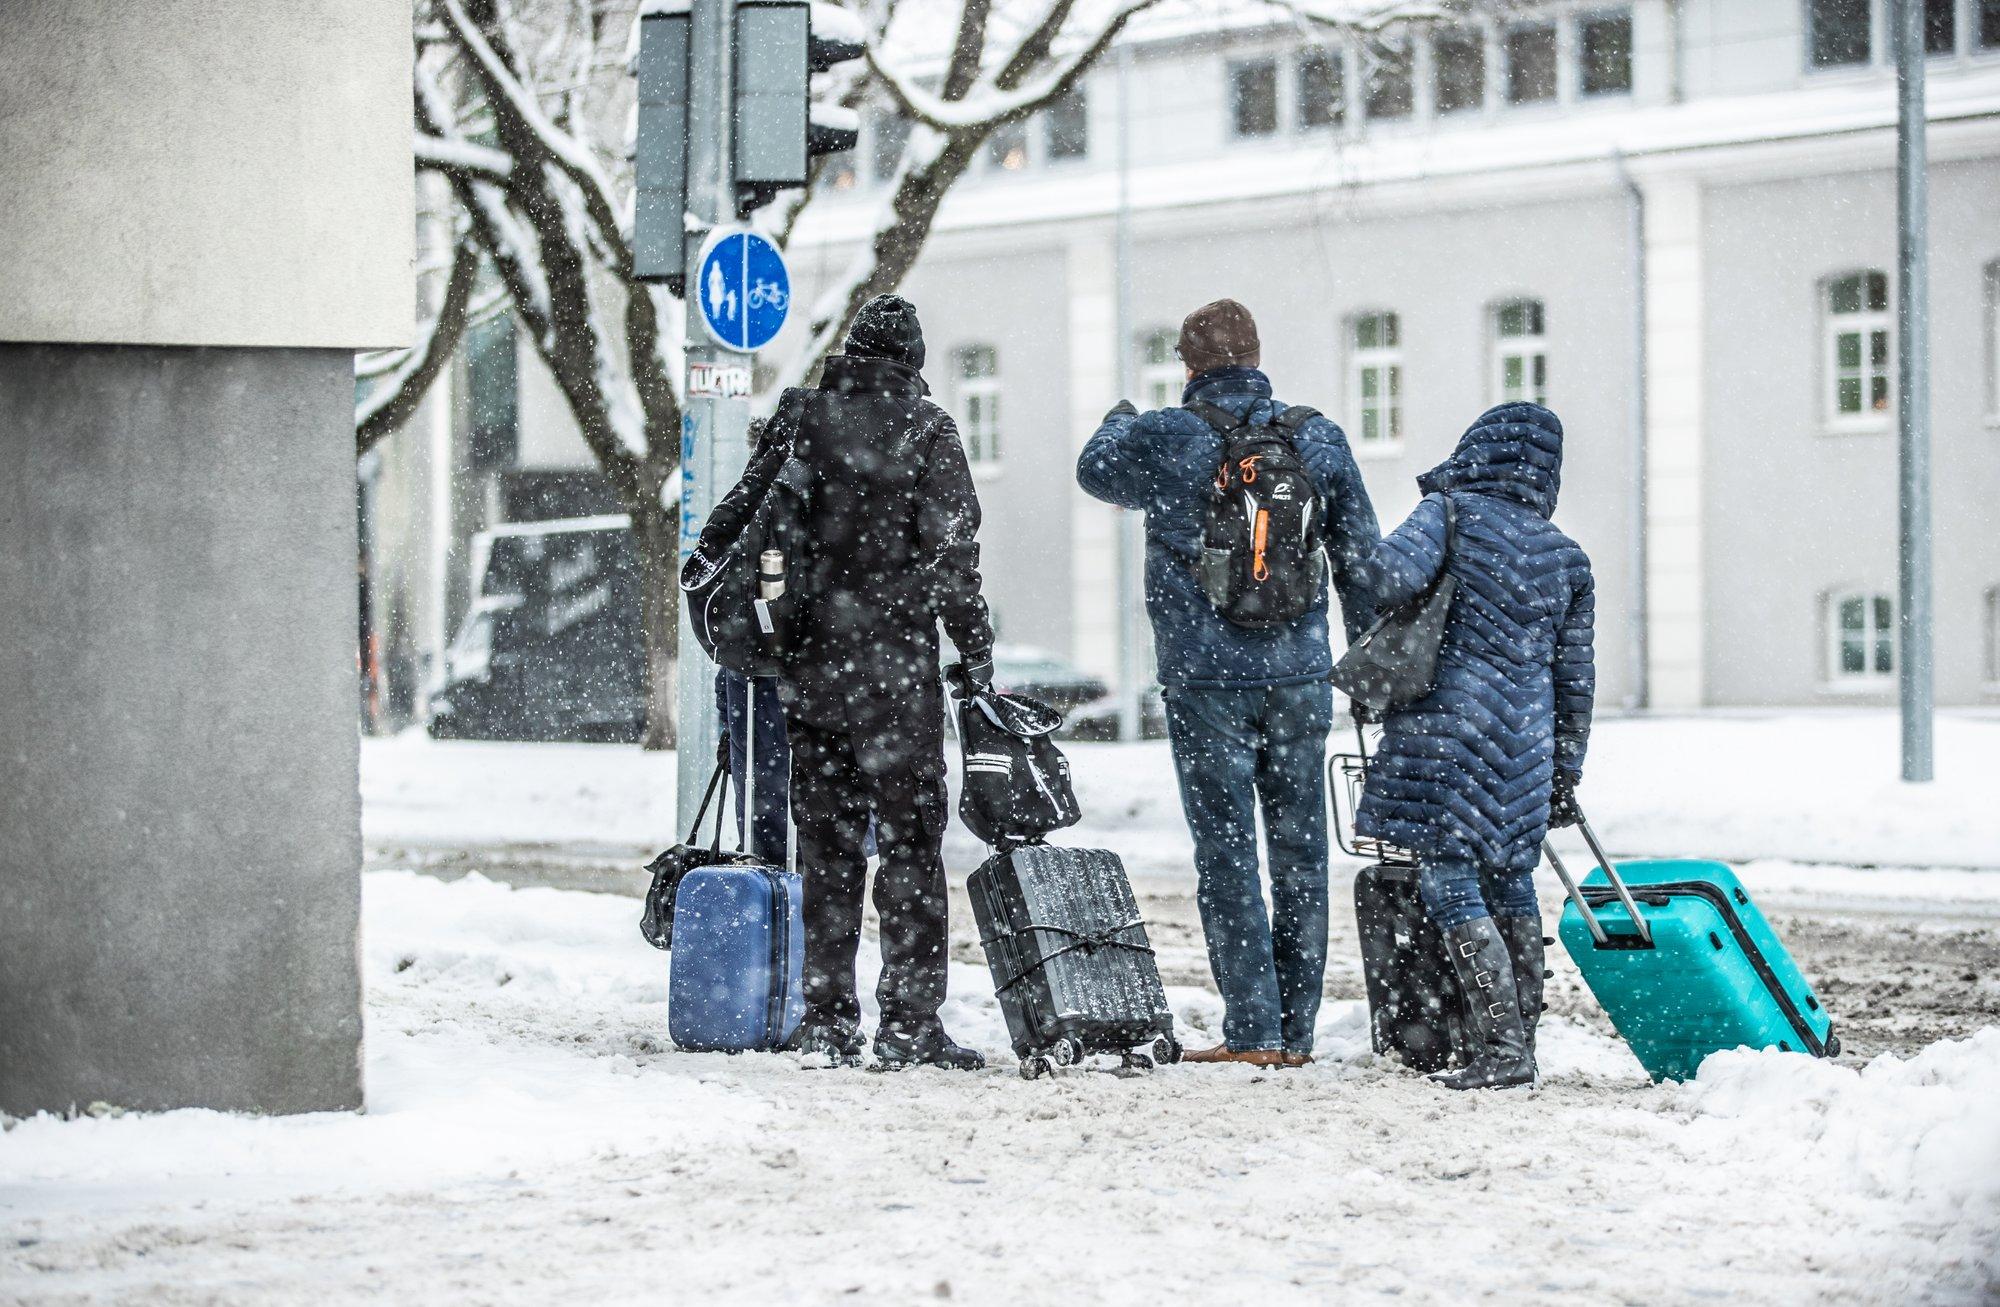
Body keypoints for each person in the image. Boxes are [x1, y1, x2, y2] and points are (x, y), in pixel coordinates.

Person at [1076, 298, 1379, 1068]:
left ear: (1189, 366)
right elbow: (1361, 560)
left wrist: (1119, 417)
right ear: (1257, 354)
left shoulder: (1170, 436)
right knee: (1302, 851)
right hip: (1301, 674)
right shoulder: (1315, 436)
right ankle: (1299, 1032)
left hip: (1206, 676)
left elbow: (1093, 469)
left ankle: (1254, 1029)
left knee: (1227, 850)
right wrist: (1368, 662)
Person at [706, 294, 995, 1070]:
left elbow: (745, 522)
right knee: (910, 848)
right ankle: (909, 1022)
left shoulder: (804, 420)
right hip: (896, 679)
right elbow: (954, 559)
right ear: (914, 363)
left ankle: (827, 1017)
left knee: (826, 847)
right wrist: (975, 651)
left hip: (814, 673)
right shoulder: (927, 429)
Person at [1353, 402, 1595, 1091]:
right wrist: (1564, 768)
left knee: (1449, 876)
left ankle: (1500, 1047)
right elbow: (1575, 677)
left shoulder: (1450, 514)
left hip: (1447, 732)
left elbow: (1385, 578)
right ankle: (1520, 1040)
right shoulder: (1566, 557)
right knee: (1512, 879)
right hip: (1526, 741)